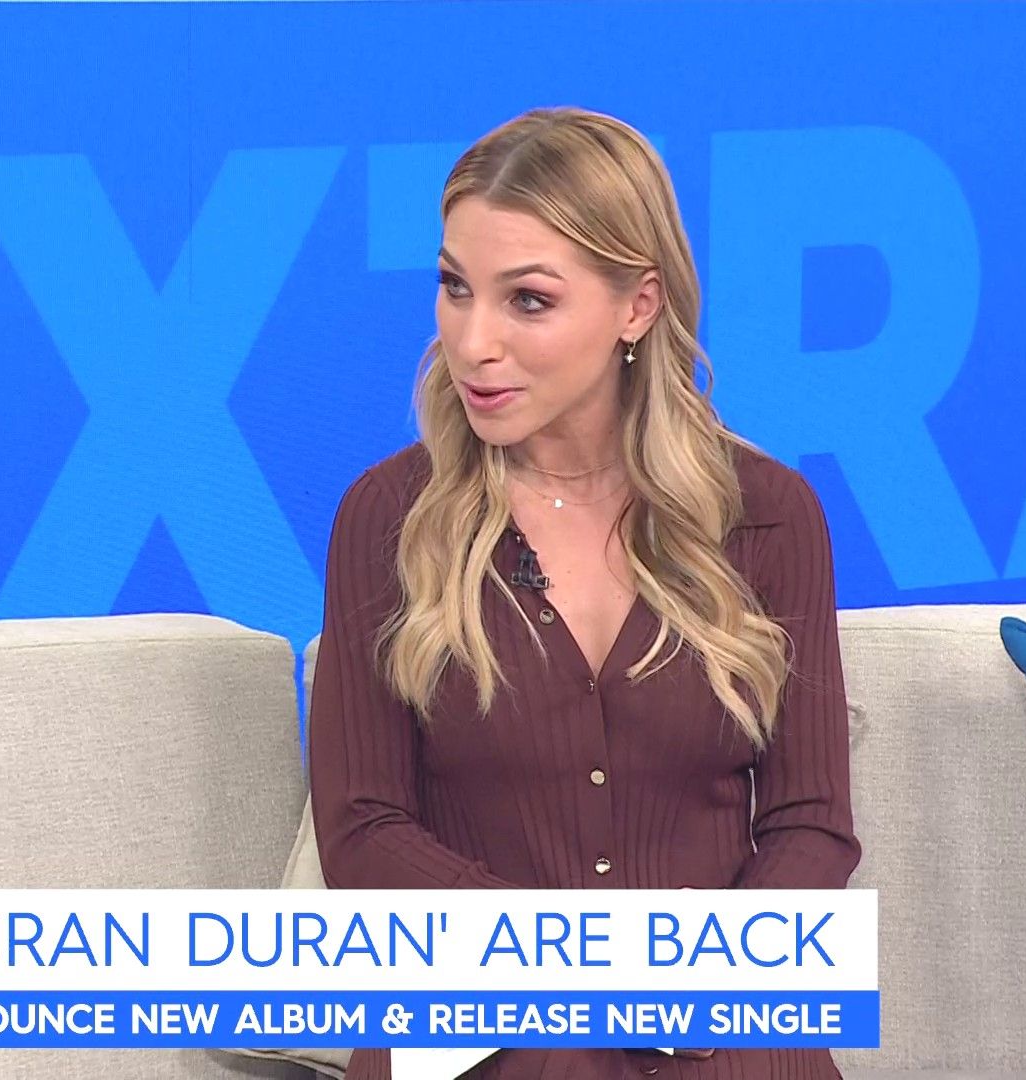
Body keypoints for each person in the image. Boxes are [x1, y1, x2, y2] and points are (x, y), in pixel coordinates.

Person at [308, 106, 861, 1079]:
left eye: (527, 301)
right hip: (490, 1031)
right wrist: (582, 970)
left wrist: (714, 978)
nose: (472, 342)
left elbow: (809, 823)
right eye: (454, 288)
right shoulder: (389, 517)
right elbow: (363, 831)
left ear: (636, 307)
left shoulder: (767, 516)